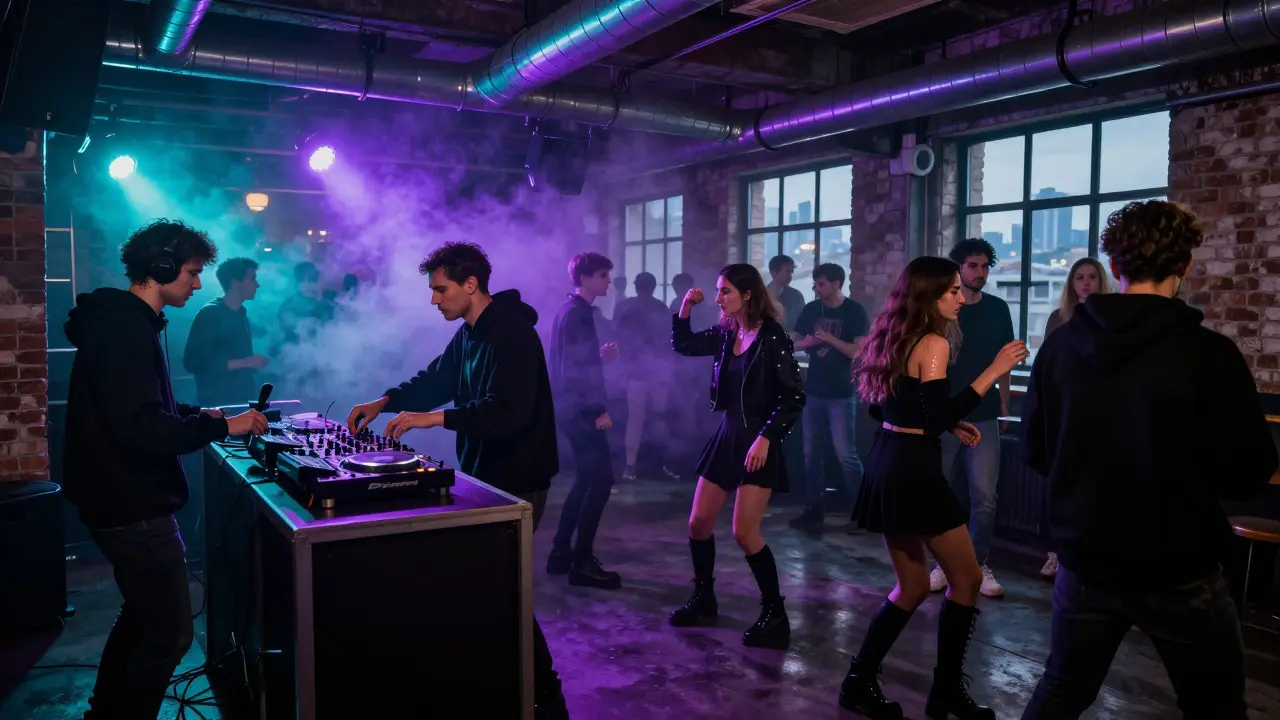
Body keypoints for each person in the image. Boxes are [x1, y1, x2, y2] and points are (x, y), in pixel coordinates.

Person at [1019, 200, 1278, 720]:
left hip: (1085, 558)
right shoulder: (1209, 354)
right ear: (1184, 266)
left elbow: (1036, 452)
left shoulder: (1061, 347)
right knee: (1216, 707)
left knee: (1062, 692)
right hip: (1180, 565)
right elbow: (1248, 471)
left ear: (1114, 266)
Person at [344, 241, 568, 719]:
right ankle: (507, 686)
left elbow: (507, 413)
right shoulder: (470, 331)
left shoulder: (512, 333)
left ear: (471, 285)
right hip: (486, 471)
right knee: (490, 585)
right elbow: (438, 378)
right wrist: (383, 400)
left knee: (507, 587)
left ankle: (546, 698)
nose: (434, 300)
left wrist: (429, 421)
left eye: (441, 289)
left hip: (519, 475)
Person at [63, 219, 268, 720]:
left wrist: (201, 415)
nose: (198, 284)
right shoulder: (124, 327)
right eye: (193, 272)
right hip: (131, 504)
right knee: (170, 634)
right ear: (161, 268)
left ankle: (103, 712)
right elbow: (141, 428)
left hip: (121, 498)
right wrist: (222, 429)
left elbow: (148, 406)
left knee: (141, 618)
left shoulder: (126, 323)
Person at [841, 255, 1026, 720]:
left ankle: (858, 683)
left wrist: (947, 422)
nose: (960, 298)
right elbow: (933, 415)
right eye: (950, 292)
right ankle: (945, 692)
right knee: (964, 579)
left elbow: (884, 413)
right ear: (928, 296)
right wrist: (994, 368)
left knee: (913, 585)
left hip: (889, 460)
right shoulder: (933, 344)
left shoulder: (891, 340)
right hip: (915, 472)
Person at [667, 264, 805, 649]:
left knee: (744, 533)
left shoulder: (773, 337)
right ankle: (704, 598)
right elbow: (685, 345)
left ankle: (775, 615)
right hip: (728, 437)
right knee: (698, 523)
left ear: (746, 294)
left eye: (724, 291)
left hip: (758, 442)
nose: (717, 298)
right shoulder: (728, 332)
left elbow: (793, 396)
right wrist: (683, 309)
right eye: (717, 290)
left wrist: (766, 438)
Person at [930, 238, 1016, 599]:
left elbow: (1005, 362)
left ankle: (978, 562)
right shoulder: (947, 309)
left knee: (985, 496)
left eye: (984, 266)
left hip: (982, 415)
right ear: (959, 267)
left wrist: (1006, 407)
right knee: (940, 490)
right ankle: (943, 564)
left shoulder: (997, 309)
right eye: (972, 266)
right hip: (945, 415)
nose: (980, 273)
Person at [545, 252, 624, 589]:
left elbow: (574, 364)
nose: (608, 280)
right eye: (604, 275)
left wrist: (598, 358)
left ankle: (562, 553)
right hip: (581, 411)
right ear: (588, 277)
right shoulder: (578, 314)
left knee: (585, 480)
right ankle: (581, 562)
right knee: (601, 481)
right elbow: (574, 372)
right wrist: (598, 410)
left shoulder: (569, 311)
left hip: (569, 409)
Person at [1035, 256, 1110, 579]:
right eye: (1079, 277)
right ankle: (1054, 554)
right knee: (1056, 485)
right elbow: (1047, 368)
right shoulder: (1058, 319)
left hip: (1098, 414)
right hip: (1063, 413)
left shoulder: (1111, 318)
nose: (1085, 283)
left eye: (1092, 276)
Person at [788, 263, 870, 533]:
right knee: (811, 453)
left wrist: (830, 340)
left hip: (842, 394)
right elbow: (792, 340)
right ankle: (814, 510)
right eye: (815, 283)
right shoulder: (812, 310)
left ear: (836, 284)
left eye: (820, 283)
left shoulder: (854, 311)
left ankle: (861, 514)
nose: (816, 288)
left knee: (846, 455)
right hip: (814, 391)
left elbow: (857, 352)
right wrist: (806, 344)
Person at [613, 271, 679, 482]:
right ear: (653, 286)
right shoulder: (660, 308)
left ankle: (630, 466)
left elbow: (618, 337)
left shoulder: (625, 307)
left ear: (636, 286)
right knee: (658, 417)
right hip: (656, 371)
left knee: (635, 419)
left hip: (636, 372)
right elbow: (669, 339)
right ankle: (657, 464)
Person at [183, 257, 269, 408]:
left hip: (241, 402)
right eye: (253, 278)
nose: (257, 284)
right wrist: (247, 362)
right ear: (236, 282)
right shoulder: (210, 314)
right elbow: (193, 363)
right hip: (218, 407)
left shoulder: (241, 314)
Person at [766, 254, 806, 332]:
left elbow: (803, 324)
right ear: (774, 273)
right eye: (787, 271)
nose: (790, 276)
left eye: (791, 272)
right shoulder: (760, 296)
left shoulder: (796, 296)